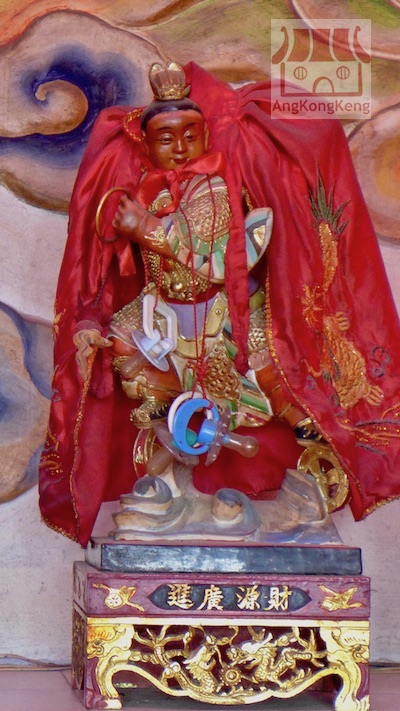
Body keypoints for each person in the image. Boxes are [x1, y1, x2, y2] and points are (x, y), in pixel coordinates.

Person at [39, 61, 400, 547]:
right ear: (147, 144)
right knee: (123, 346)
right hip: (161, 312)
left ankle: (312, 456)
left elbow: (219, 262)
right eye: (166, 139)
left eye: (190, 136)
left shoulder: (214, 188)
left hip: (224, 310)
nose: (180, 148)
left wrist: (148, 229)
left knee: (271, 370)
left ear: (205, 136)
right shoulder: (145, 190)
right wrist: (88, 321)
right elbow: (103, 270)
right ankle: (167, 466)